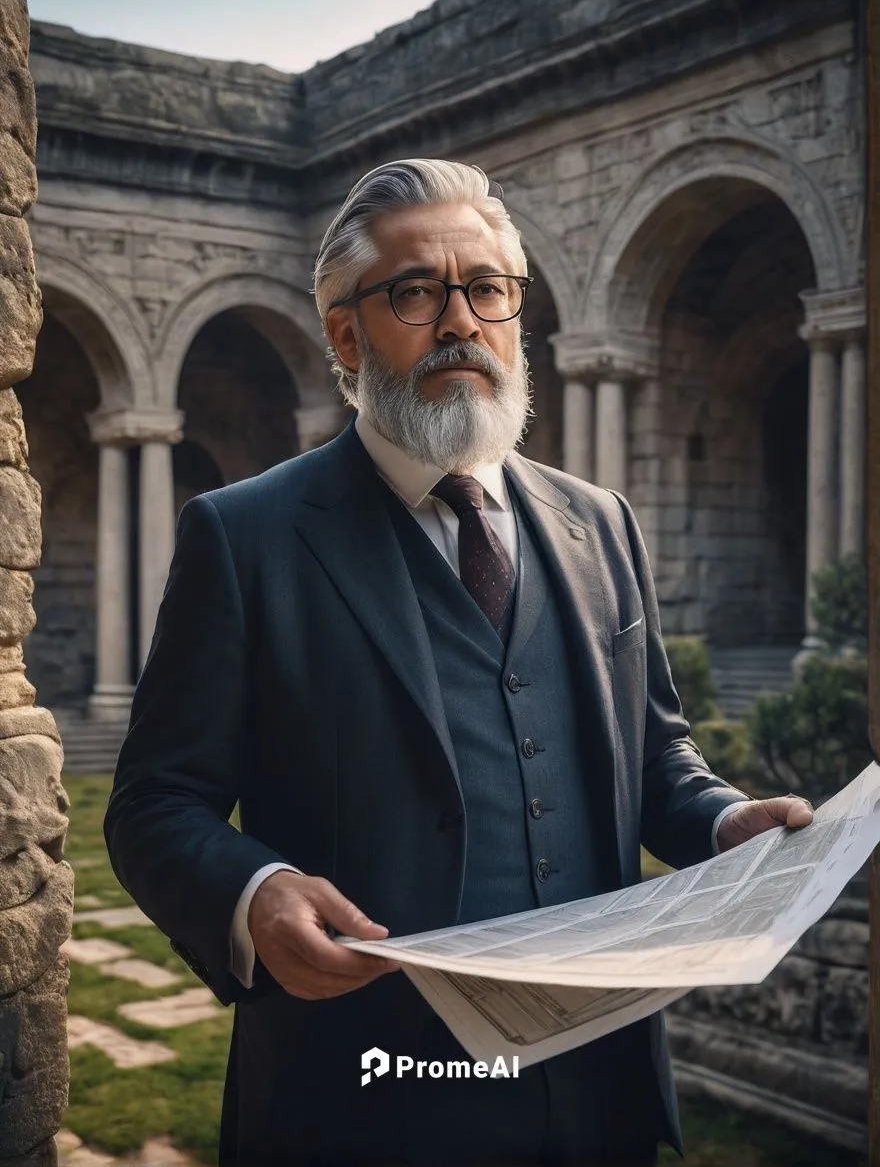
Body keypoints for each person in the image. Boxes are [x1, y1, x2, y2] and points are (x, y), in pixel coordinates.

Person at [104, 158, 813, 1167]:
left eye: (486, 289)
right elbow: (153, 805)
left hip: (596, 1095)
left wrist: (722, 818)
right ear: (346, 333)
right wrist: (252, 892)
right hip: (363, 1102)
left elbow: (654, 757)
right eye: (414, 293)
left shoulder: (600, 522)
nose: (459, 322)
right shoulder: (245, 536)